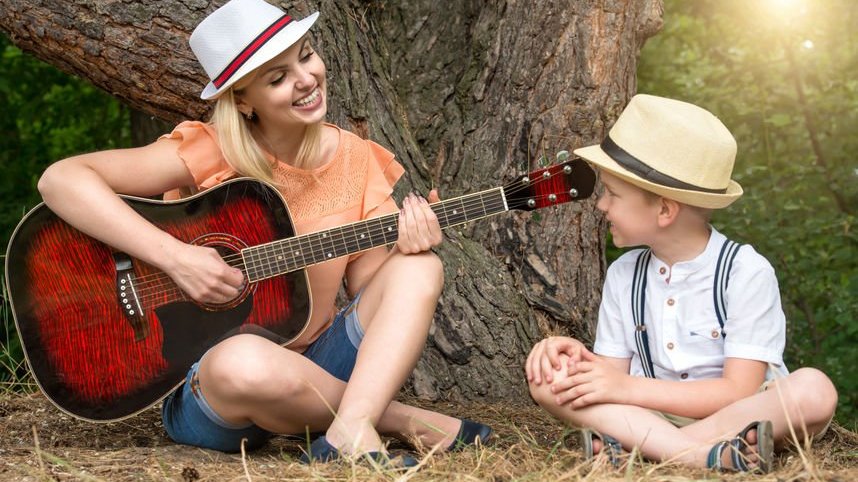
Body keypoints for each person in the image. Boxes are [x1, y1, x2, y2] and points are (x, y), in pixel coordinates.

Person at [37, 0, 491, 465]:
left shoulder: (355, 160)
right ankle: (396, 419)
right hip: (218, 385)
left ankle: (349, 431)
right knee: (242, 361)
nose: (306, 79)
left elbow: (374, 300)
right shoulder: (211, 149)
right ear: (241, 101)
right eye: (277, 78)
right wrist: (177, 258)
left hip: (317, 364)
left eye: (307, 55)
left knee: (419, 267)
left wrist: (406, 247)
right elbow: (60, 180)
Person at [525, 94, 837, 472]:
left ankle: (654, 448)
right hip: (650, 414)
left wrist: (625, 390)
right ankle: (702, 454)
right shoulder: (624, 274)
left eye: (613, 194)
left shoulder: (745, 271)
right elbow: (610, 377)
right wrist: (577, 358)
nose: (601, 205)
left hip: (737, 414)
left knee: (815, 390)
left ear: (665, 210)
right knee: (548, 381)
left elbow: (737, 391)